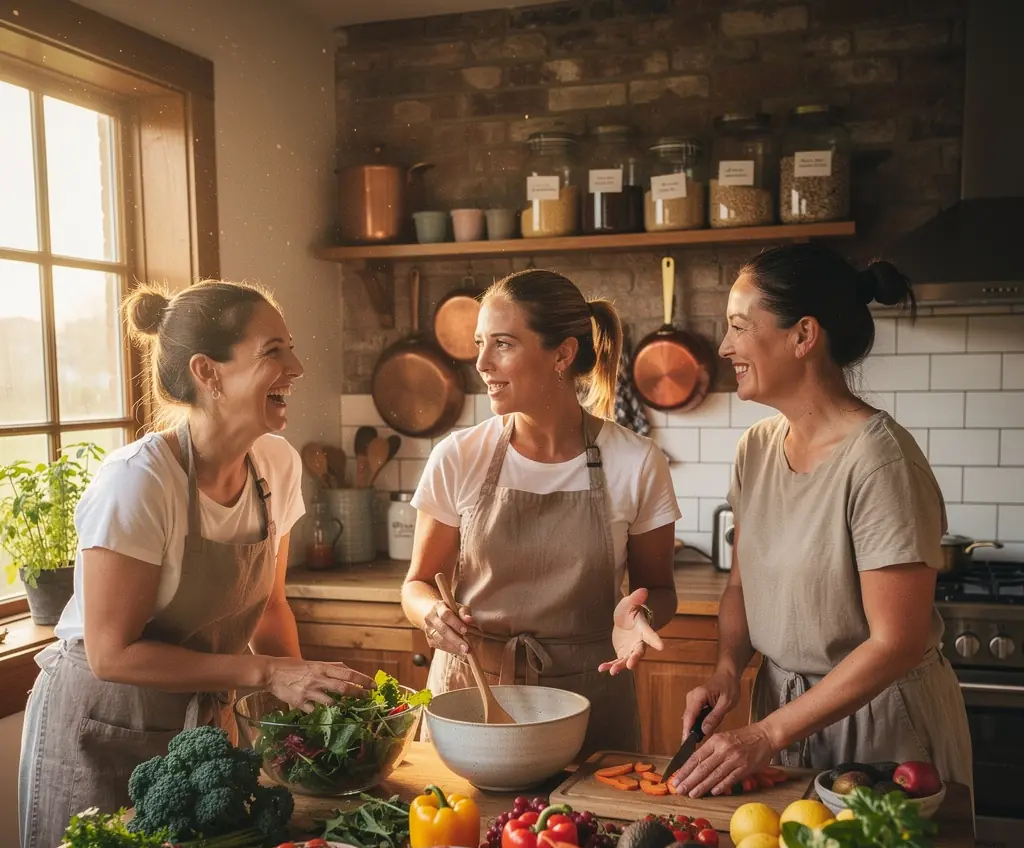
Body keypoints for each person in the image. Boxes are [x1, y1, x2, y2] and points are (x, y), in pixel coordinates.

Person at [18, 280, 373, 848]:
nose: (297, 367)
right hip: (104, 728)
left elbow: (271, 608)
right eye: (273, 352)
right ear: (208, 372)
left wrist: (304, 713)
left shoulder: (274, 466)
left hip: (202, 733)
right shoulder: (139, 482)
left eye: (290, 347)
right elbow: (111, 654)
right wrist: (267, 674)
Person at [669, 244, 972, 798]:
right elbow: (741, 583)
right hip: (783, 720)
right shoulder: (755, 449)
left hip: (881, 726)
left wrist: (765, 734)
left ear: (803, 336)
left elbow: (896, 643)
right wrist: (726, 668)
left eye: (739, 327)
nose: (725, 346)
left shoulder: (881, 462)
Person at [401, 269, 680, 755]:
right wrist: (432, 614)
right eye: (480, 343)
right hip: (474, 697)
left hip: (589, 701)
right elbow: (417, 584)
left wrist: (642, 613)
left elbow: (660, 588)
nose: (482, 362)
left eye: (503, 344)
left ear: (563, 354)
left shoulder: (636, 461)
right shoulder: (458, 456)